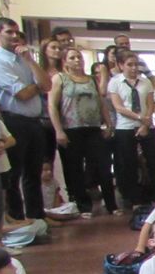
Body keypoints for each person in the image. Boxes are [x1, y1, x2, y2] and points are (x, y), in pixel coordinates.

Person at [0, 18, 53, 221]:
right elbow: (22, 94)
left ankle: (37, 217)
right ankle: (17, 218)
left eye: (17, 32)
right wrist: (38, 87)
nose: (15, 36)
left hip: (34, 122)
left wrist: (31, 61)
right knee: (14, 174)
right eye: (9, 32)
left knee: (34, 173)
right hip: (14, 121)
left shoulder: (24, 59)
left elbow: (47, 85)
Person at [48, 47, 118, 217]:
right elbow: (52, 105)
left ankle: (111, 204)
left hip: (93, 128)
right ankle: (83, 206)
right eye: (72, 57)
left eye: (79, 57)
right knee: (75, 168)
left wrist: (108, 124)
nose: (77, 60)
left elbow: (101, 103)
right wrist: (58, 131)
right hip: (71, 129)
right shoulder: (60, 78)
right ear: (65, 61)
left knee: (103, 165)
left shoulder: (92, 79)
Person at [109, 49, 155, 208]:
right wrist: (139, 118)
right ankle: (134, 198)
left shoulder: (145, 82)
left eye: (136, 64)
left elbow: (150, 104)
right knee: (129, 162)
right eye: (129, 65)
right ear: (121, 65)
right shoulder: (115, 82)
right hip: (125, 126)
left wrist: (145, 123)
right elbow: (119, 107)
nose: (134, 68)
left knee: (153, 160)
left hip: (146, 125)